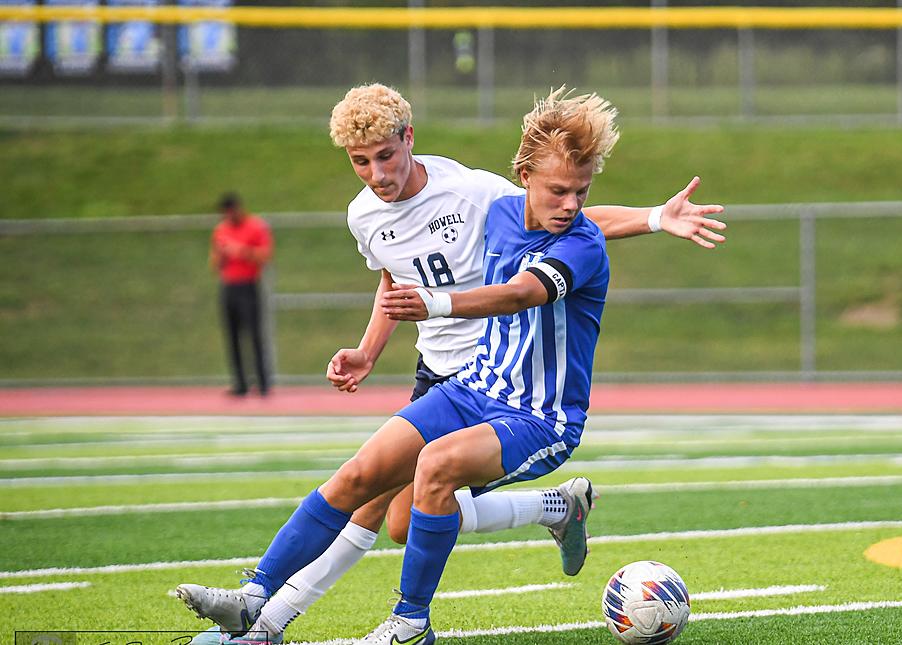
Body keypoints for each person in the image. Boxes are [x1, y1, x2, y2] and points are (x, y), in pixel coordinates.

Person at [177, 84, 725, 643]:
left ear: (408, 139)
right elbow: (398, 274)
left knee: (420, 483)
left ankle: (333, 625)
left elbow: (530, 277)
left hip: (535, 410)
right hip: (463, 380)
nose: (376, 172)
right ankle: (252, 599)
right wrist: (369, 350)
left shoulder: (493, 203)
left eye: (385, 155)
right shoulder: (418, 214)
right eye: (360, 161)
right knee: (363, 484)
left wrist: (655, 217)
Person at [210, 193, 274, 396]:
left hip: (249, 285)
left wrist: (241, 251)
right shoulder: (221, 230)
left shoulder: (255, 226)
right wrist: (221, 255)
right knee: (232, 336)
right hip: (229, 286)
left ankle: (263, 383)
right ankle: (240, 383)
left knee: (254, 335)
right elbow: (214, 263)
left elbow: (265, 255)